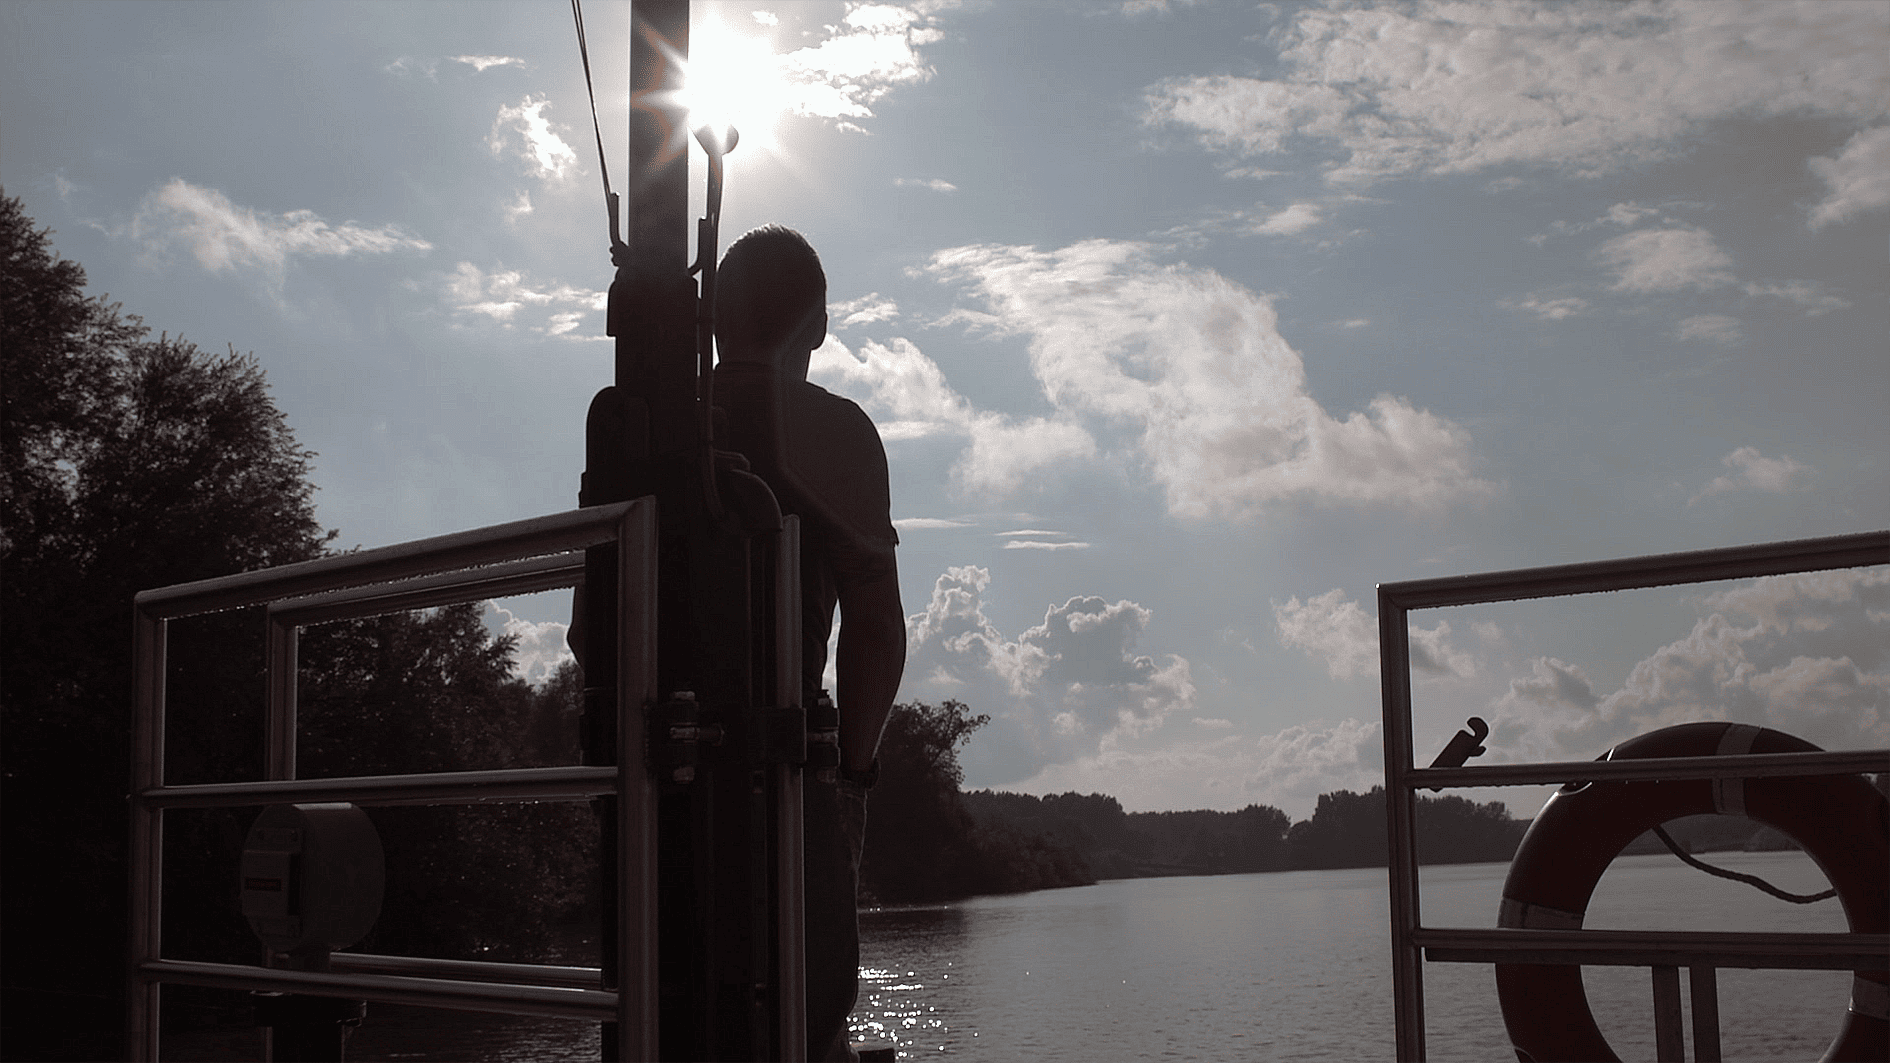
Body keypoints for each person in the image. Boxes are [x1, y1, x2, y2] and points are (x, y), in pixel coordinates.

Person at [713, 224, 905, 1062]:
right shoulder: (835, 432)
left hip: (651, 787)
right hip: (787, 774)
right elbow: (875, 627)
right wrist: (853, 776)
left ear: (715, 321)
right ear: (818, 327)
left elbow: (587, 631)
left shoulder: (640, 421)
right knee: (809, 1014)